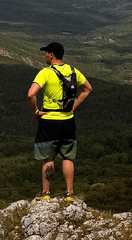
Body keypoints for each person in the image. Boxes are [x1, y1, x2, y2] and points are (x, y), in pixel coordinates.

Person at [27, 41, 92, 202]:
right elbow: (88, 89)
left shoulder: (45, 73)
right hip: (68, 120)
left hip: (49, 120)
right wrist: (74, 106)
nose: (45, 56)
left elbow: (31, 94)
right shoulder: (73, 70)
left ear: (51, 54)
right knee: (68, 157)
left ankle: (46, 193)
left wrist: (35, 112)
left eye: (46, 53)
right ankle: (69, 194)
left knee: (48, 158)